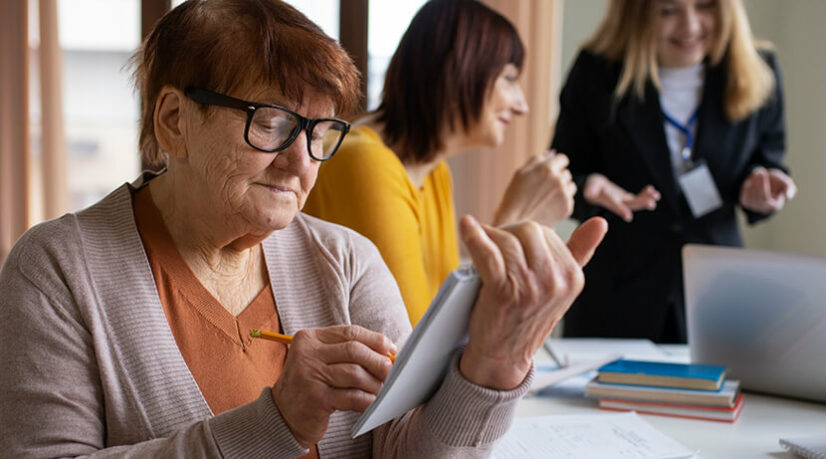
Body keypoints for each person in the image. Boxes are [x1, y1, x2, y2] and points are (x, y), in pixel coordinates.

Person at [0, 0, 607, 456]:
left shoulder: (346, 260)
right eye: (270, 123)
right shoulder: (56, 268)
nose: (302, 162)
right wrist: (276, 425)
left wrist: (495, 365)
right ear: (174, 120)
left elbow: (405, 449)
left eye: (321, 133)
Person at [303, 0, 577, 326]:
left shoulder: (433, 171)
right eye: (509, 78)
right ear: (460, 69)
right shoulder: (365, 161)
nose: (522, 106)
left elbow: (445, 323)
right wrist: (515, 220)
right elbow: (414, 340)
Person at [551, 0, 797, 343]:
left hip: (717, 294)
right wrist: (589, 186)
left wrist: (762, 188)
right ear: (635, 14)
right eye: (668, 11)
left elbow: (768, 160)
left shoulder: (760, 68)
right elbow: (562, 175)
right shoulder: (596, 73)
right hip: (617, 294)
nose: (690, 25)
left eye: (705, 7)